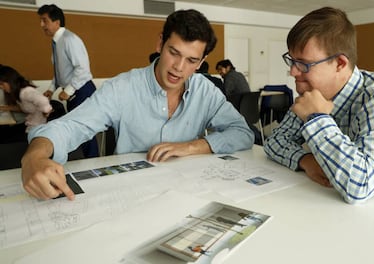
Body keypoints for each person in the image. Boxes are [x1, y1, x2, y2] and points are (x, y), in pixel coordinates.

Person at [21, 9, 254, 200]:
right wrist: (35, 156)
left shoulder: (205, 90)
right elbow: (70, 126)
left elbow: (243, 133)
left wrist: (191, 147)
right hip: (132, 195)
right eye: (174, 53)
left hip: (188, 193)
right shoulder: (123, 87)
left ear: (201, 62)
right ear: (160, 44)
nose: (179, 68)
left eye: (192, 60)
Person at [264, 7, 374, 204]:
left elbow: (361, 185)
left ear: (340, 64)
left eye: (303, 63)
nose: (292, 72)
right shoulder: (313, 94)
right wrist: (305, 160)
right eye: (291, 60)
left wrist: (317, 119)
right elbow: (274, 141)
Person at [37, 4, 99, 158]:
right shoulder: (56, 42)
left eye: (44, 21)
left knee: (85, 133)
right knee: (79, 133)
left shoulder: (70, 39)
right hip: (74, 93)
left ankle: (94, 164)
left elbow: (83, 69)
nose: (41, 25)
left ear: (56, 22)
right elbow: (60, 71)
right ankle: (87, 164)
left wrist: (68, 90)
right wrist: (52, 88)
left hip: (82, 91)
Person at [0, 65, 52, 133]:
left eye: (2, 84)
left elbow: (43, 100)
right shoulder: (18, 92)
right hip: (30, 125)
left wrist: (46, 111)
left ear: (10, 80)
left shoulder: (26, 92)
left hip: (38, 128)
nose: (1, 87)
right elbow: (23, 108)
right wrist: (3, 108)